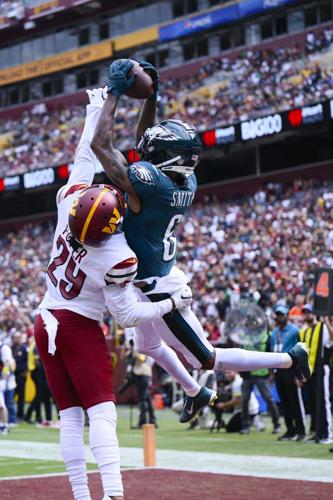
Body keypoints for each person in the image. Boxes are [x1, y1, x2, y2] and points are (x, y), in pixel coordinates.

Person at [91, 58, 312, 424]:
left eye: (157, 150)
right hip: (150, 276)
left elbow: (103, 145)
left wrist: (115, 93)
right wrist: (151, 97)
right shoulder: (183, 179)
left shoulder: (152, 184)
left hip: (160, 287)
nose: (147, 150)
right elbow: (143, 144)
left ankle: (290, 358)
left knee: (207, 357)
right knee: (146, 344)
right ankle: (197, 392)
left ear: (165, 159)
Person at [34, 90, 192, 500]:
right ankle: (114, 492)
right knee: (102, 412)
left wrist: (93, 109)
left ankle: (82, 495)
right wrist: (173, 303)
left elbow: (85, 157)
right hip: (79, 323)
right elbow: (128, 317)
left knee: (69, 417)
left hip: (45, 317)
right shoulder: (117, 253)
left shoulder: (68, 202)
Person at [271, 305, 306, 441]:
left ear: (287, 316)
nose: (280, 317)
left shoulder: (294, 330)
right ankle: (290, 430)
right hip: (278, 370)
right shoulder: (274, 333)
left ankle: (301, 431)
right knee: (284, 403)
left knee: (295, 401)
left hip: (291, 370)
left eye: (282, 314)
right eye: (278, 315)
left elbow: (300, 352)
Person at [299, 304, 333, 444]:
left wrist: (326, 323)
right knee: (313, 402)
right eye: (305, 312)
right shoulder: (304, 331)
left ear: (315, 313)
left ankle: (328, 433)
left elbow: (331, 341)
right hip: (310, 371)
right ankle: (317, 431)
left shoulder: (322, 327)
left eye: (309, 312)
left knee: (323, 401)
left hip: (322, 369)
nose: (307, 314)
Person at [240, 329, 280, 435]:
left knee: (269, 399)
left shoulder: (266, 336)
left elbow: (271, 354)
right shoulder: (244, 336)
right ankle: (245, 425)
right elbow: (240, 354)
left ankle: (276, 424)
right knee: (244, 400)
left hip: (261, 373)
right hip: (247, 374)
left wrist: (272, 373)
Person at [124, 340, 157, 429]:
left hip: (143, 375)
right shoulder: (133, 350)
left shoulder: (140, 350)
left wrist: (135, 352)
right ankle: (153, 420)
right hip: (141, 375)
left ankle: (142, 422)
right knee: (147, 398)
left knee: (142, 399)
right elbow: (126, 358)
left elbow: (143, 359)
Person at [11, 332, 28, 421]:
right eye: (15, 338)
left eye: (18, 338)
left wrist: (26, 371)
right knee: (12, 396)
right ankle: (11, 414)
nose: (16, 339)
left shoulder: (23, 348)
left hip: (21, 375)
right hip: (12, 376)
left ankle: (20, 414)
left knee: (21, 396)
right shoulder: (10, 348)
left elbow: (27, 360)